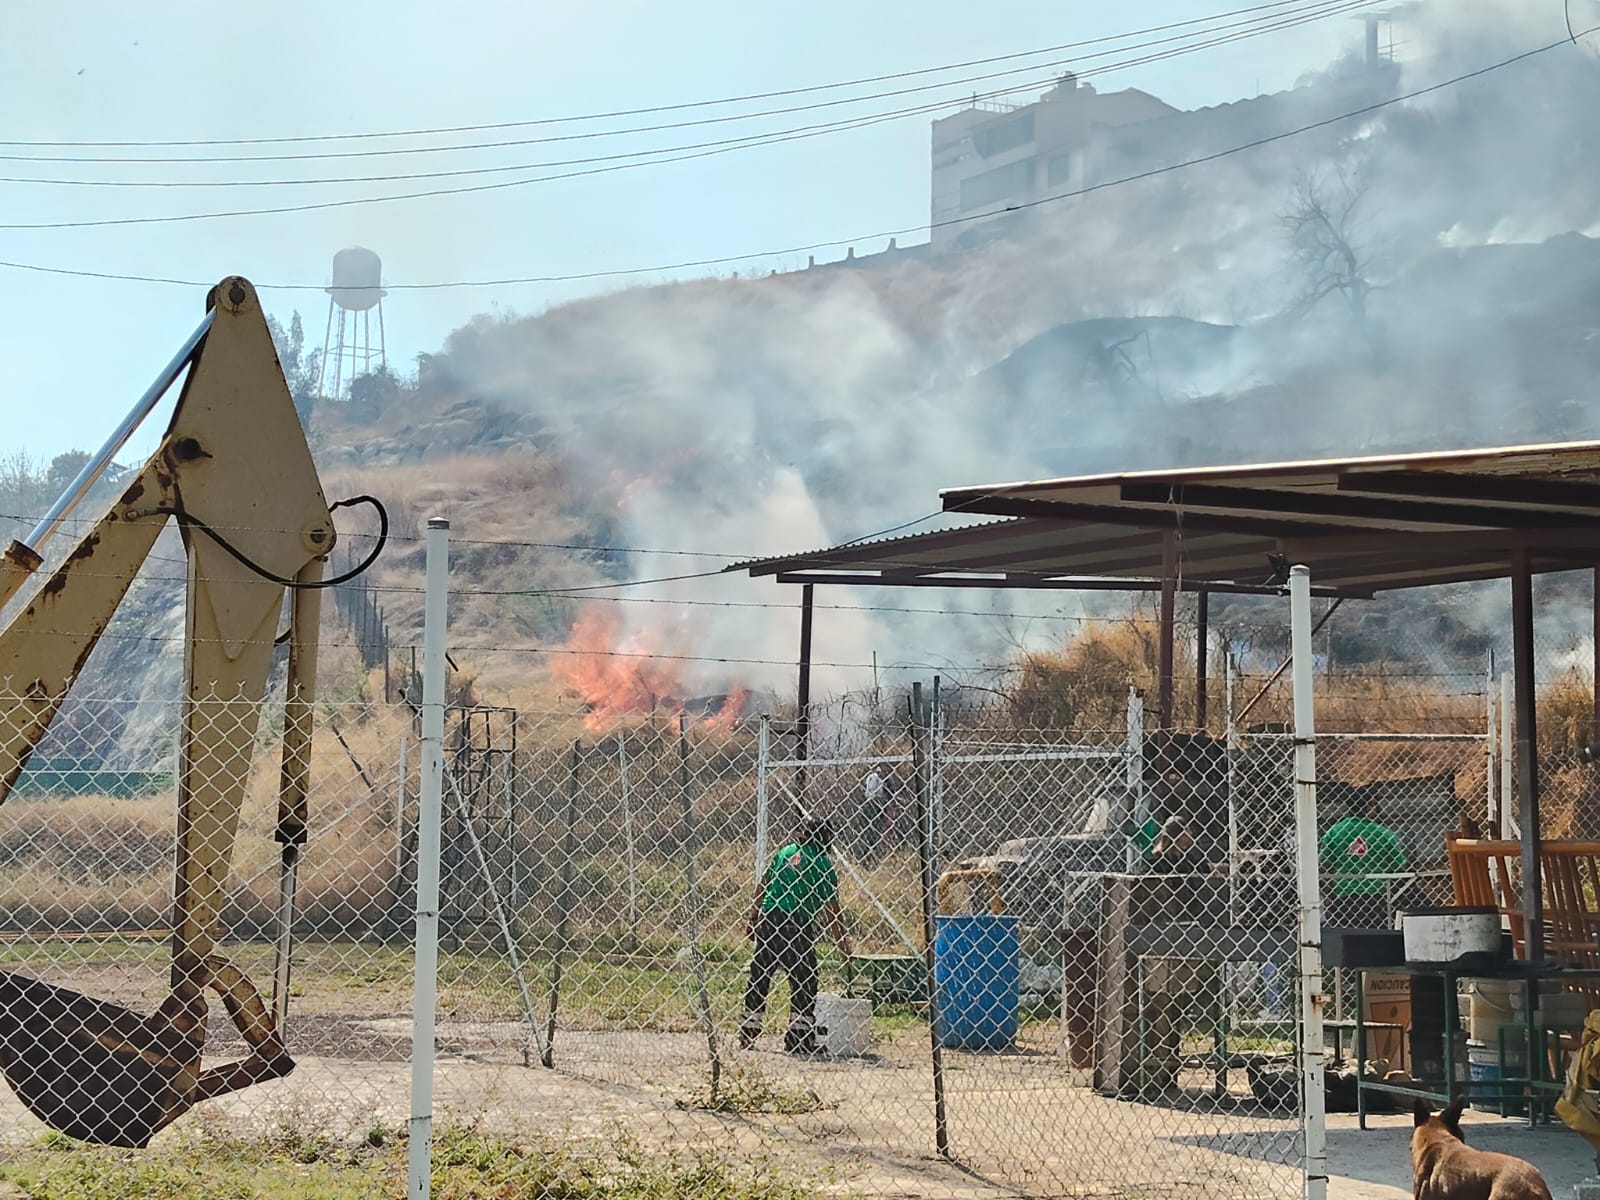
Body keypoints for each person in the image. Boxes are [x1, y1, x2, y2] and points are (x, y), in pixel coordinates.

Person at [740, 819, 852, 1054]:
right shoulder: (823, 865)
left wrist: (753, 917)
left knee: (760, 975)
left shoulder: (786, 852)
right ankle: (798, 1038)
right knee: (804, 979)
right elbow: (832, 911)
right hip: (797, 923)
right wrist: (843, 945)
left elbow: (764, 883)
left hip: (770, 919)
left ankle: (748, 1032)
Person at [1321, 798, 1408, 929]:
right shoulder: (1383, 833)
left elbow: (1324, 865)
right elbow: (1399, 867)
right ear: (1370, 806)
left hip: (1344, 895)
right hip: (1376, 896)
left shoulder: (1334, 832)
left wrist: (1330, 895)